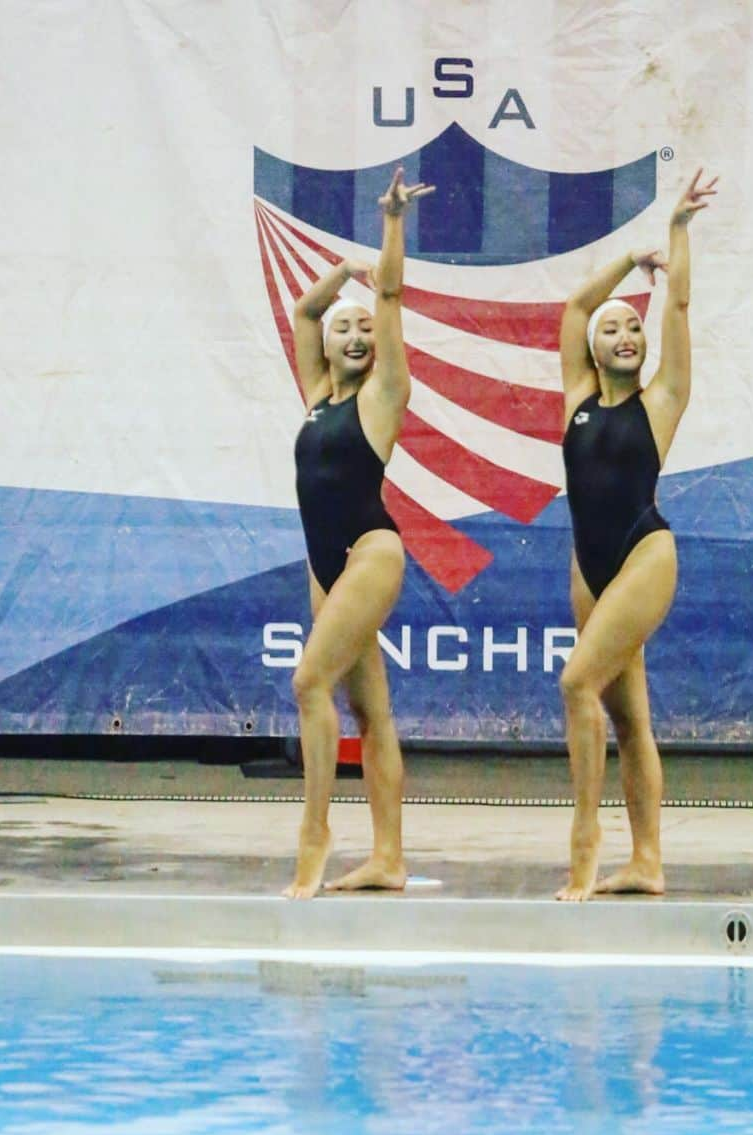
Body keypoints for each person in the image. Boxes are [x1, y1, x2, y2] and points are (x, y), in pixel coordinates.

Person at [555, 168, 718, 901]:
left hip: (646, 553)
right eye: (613, 328)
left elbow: (676, 307)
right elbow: (576, 304)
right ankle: (648, 860)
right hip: (589, 568)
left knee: (576, 681)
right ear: (594, 350)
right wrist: (629, 261)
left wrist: (677, 236)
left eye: (633, 327)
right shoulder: (577, 401)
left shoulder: (661, 402)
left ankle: (585, 844)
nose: (625, 332)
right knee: (629, 717)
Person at [284, 165, 434, 899]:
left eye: (363, 329)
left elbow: (392, 296)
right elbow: (303, 316)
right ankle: (389, 858)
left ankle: (315, 836)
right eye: (345, 326)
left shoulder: (383, 394)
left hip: (371, 552)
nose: (351, 333)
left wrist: (389, 229)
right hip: (325, 566)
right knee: (370, 712)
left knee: (308, 681)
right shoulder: (317, 395)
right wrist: (339, 271)